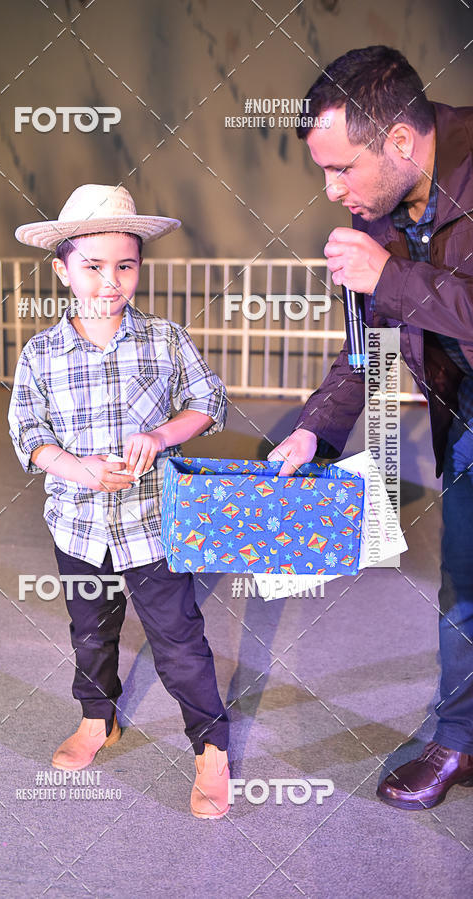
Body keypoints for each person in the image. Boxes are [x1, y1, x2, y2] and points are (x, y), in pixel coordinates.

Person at [270, 46, 473, 810]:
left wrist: (391, 277)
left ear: (398, 142)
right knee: (466, 585)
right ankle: (457, 740)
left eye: (340, 169)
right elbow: (368, 349)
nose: (331, 189)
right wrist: (314, 433)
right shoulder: (381, 215)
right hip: (466, 416)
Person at [8, 184, 230, 819]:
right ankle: (97, 719)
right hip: (78, 527)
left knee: (178, 638)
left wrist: (160, 435)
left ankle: (210, 744)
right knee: (91, 632)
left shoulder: (164, 338)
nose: (111, 281)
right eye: (93, 266)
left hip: (153, 524)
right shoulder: (41, 353)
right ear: (63, 268)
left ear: (139, 266)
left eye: (125, 265)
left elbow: (206, 402)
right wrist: (75, 468)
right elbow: (30, 434)